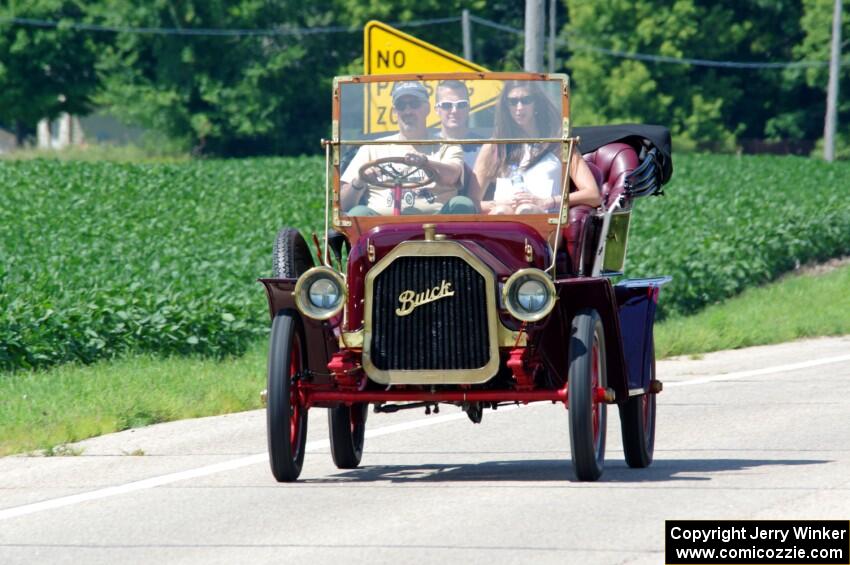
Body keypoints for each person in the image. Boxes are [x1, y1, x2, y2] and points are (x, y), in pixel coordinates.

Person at [340, 81, 476, 216]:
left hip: (438, 229)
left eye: (414, 104)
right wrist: (359, 181)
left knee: (462, 204)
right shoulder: (371, 149)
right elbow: (342, 204)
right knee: (358, 213)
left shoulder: (447, 146)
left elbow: (452, 176)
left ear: (427, 108)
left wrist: (426, 163)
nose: (408, 111)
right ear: (394, 111)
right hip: (380, 230)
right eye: (401, 105)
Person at [472, 80, 602, 214]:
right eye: (513, 101)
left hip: (545, 224)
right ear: (506, 106)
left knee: (527, 210)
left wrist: (547, 201)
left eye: (526, 100)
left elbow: (593, 194)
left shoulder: (558, 144)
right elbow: (472, 204)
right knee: (501, 211)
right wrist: (498, 203)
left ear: (537, 104)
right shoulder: (494, 147)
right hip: (501, 221)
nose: (519, 107)